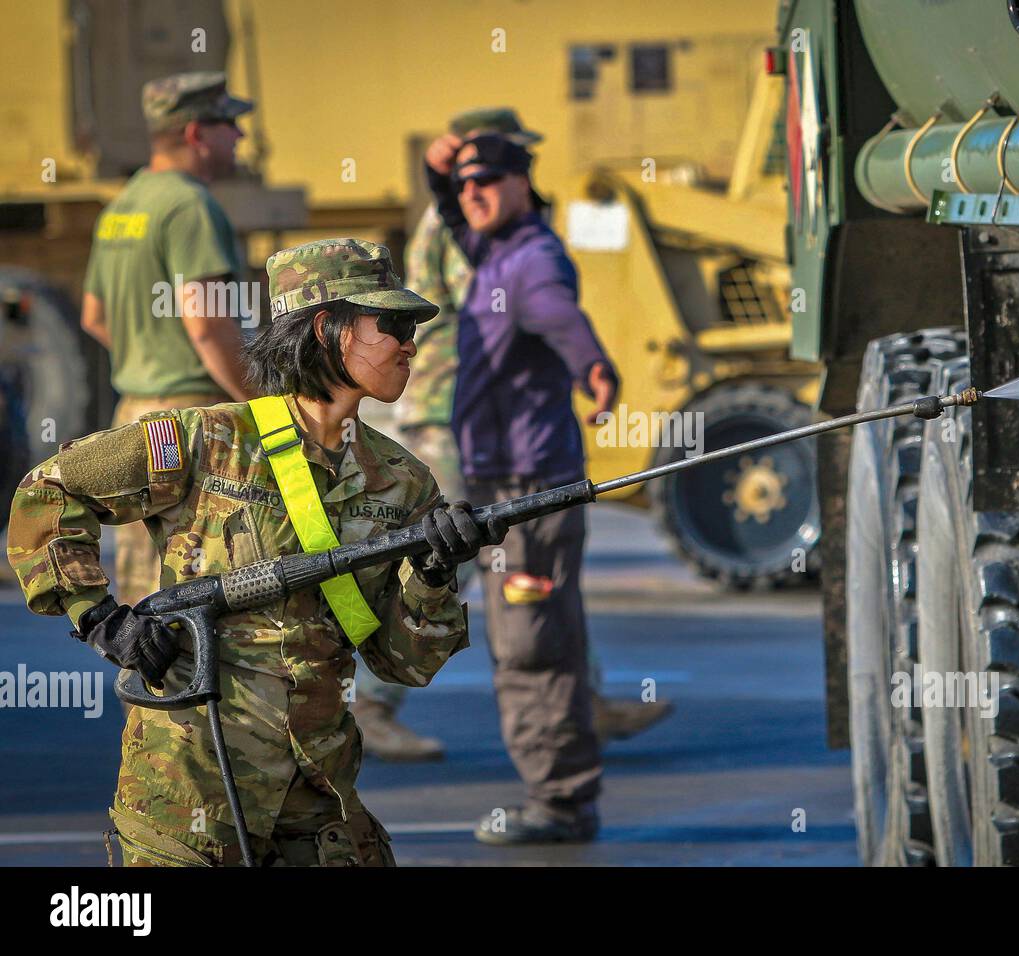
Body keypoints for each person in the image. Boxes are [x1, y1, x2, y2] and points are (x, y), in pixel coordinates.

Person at [7, 238, 498, 866]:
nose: (410, 343)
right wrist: (99, 618)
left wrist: (433, 574)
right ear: (330, 329)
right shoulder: (206, 440)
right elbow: (51, 488)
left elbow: (403, 664)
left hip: (316, 800)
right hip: (190, 791)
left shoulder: (401, 481)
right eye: (393, 324)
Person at [359, 108, 673, 760]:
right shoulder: (484, 231)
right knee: (452, 556)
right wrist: (589, 363)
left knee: (534, 568)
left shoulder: (489, 223)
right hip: (454, 411)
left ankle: (581, 700)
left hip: (484, 414)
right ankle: (370, 701)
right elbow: (528, 298)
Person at [425, 129, 664, 844]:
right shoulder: (494, 249)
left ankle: (561, 803)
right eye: (464, 185)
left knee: (534, 646)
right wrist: (439, 178)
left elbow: (564, 319)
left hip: (532, 492)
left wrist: (595, 368)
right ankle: (559, 795)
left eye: (486, 182)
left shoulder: (530, 262)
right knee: (526, 640)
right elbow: (456, 217)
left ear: (523, 185)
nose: (472, 193)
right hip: (506, 487)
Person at [80, 71, 257, 607]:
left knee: (144, 594)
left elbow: (94, 316)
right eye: (230, 124)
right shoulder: (190, 207)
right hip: (193, 421)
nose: (240, 137)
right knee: (200, 587)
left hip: (134, 417)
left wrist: (151, 361)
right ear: (198, 133)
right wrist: (266, 403)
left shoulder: (122, 207)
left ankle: (147, 693)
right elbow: (207, 324)